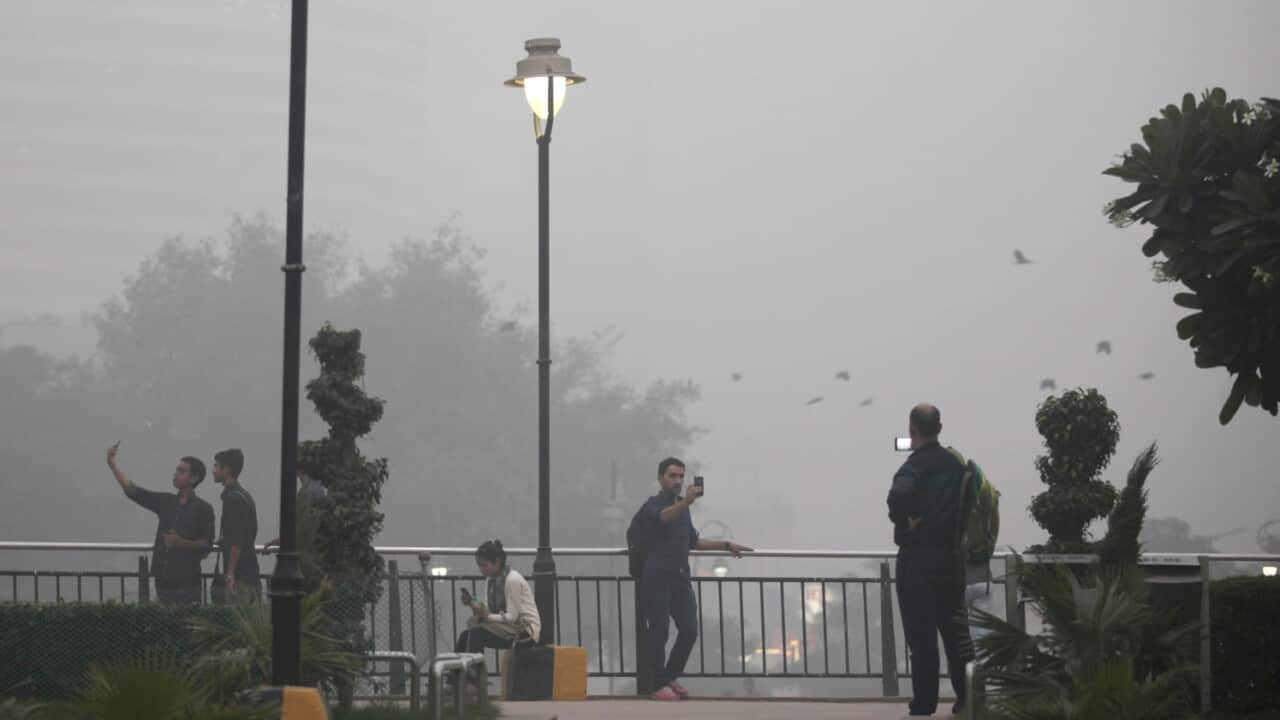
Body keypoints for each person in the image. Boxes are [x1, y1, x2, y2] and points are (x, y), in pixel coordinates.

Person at [637, 457, 752, 701]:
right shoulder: (653, 505)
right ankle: (658, 685)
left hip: (680, 578)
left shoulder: (683, 508)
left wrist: (725, 544)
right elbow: (663, 518)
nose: (677, 480)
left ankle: (669, 677)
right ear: (661, 478)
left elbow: (694, 541)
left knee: (689, 630)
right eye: (672, 476)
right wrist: (686, 502)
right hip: (657, 576)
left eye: (681, 476)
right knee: (659, 631)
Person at [887, 404, 976, 717]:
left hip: (916, 562)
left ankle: (924, 703)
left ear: (913, 431)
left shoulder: (914, 466)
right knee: (956, 635)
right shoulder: (956, 463)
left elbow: (898, 495)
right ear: (939, 427)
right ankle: (967, 698)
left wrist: (904, 519)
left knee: (922, 637)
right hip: (950, 559)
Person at [106, 442, 214, 604]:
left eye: (181, 471)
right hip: (163, 580)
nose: (176, 474)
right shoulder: (166, 502)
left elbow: (207, 545)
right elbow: (135, 492)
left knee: (186, 625)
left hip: (188, 581)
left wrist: (180, 542)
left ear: (194, 478)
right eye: (177, 470)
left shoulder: (204, 509)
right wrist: (113, 466)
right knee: (165, 625)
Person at [454, 540, 541, 653]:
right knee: (465, 636)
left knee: (475, 636)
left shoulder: (512, 580)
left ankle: (474, 670)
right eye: (479, 565)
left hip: (525, 631)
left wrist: (487, 617)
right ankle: (457, 670)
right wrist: (472, 603)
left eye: (485, 565)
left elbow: (512, 617)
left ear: (497, 562)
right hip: (508, 628)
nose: (481, 569)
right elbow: (487, 609)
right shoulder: (491, 580)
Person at [212, 448, 260, 603]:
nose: (213, 470)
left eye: (216, 466)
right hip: (250, 571)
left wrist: (230, 574)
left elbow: (236, 541)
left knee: (236, 621)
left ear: (226, 470)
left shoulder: (232, 500)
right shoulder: (244, 495)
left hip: (240, 578)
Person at [962, 463, 1000, 644]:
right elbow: (993, 531)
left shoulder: (956, 498)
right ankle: (982, 670)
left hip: (957, 577)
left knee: (959, 638)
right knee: (981, 637)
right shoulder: (988, 496)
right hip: (982, 576)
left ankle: (964, 671)